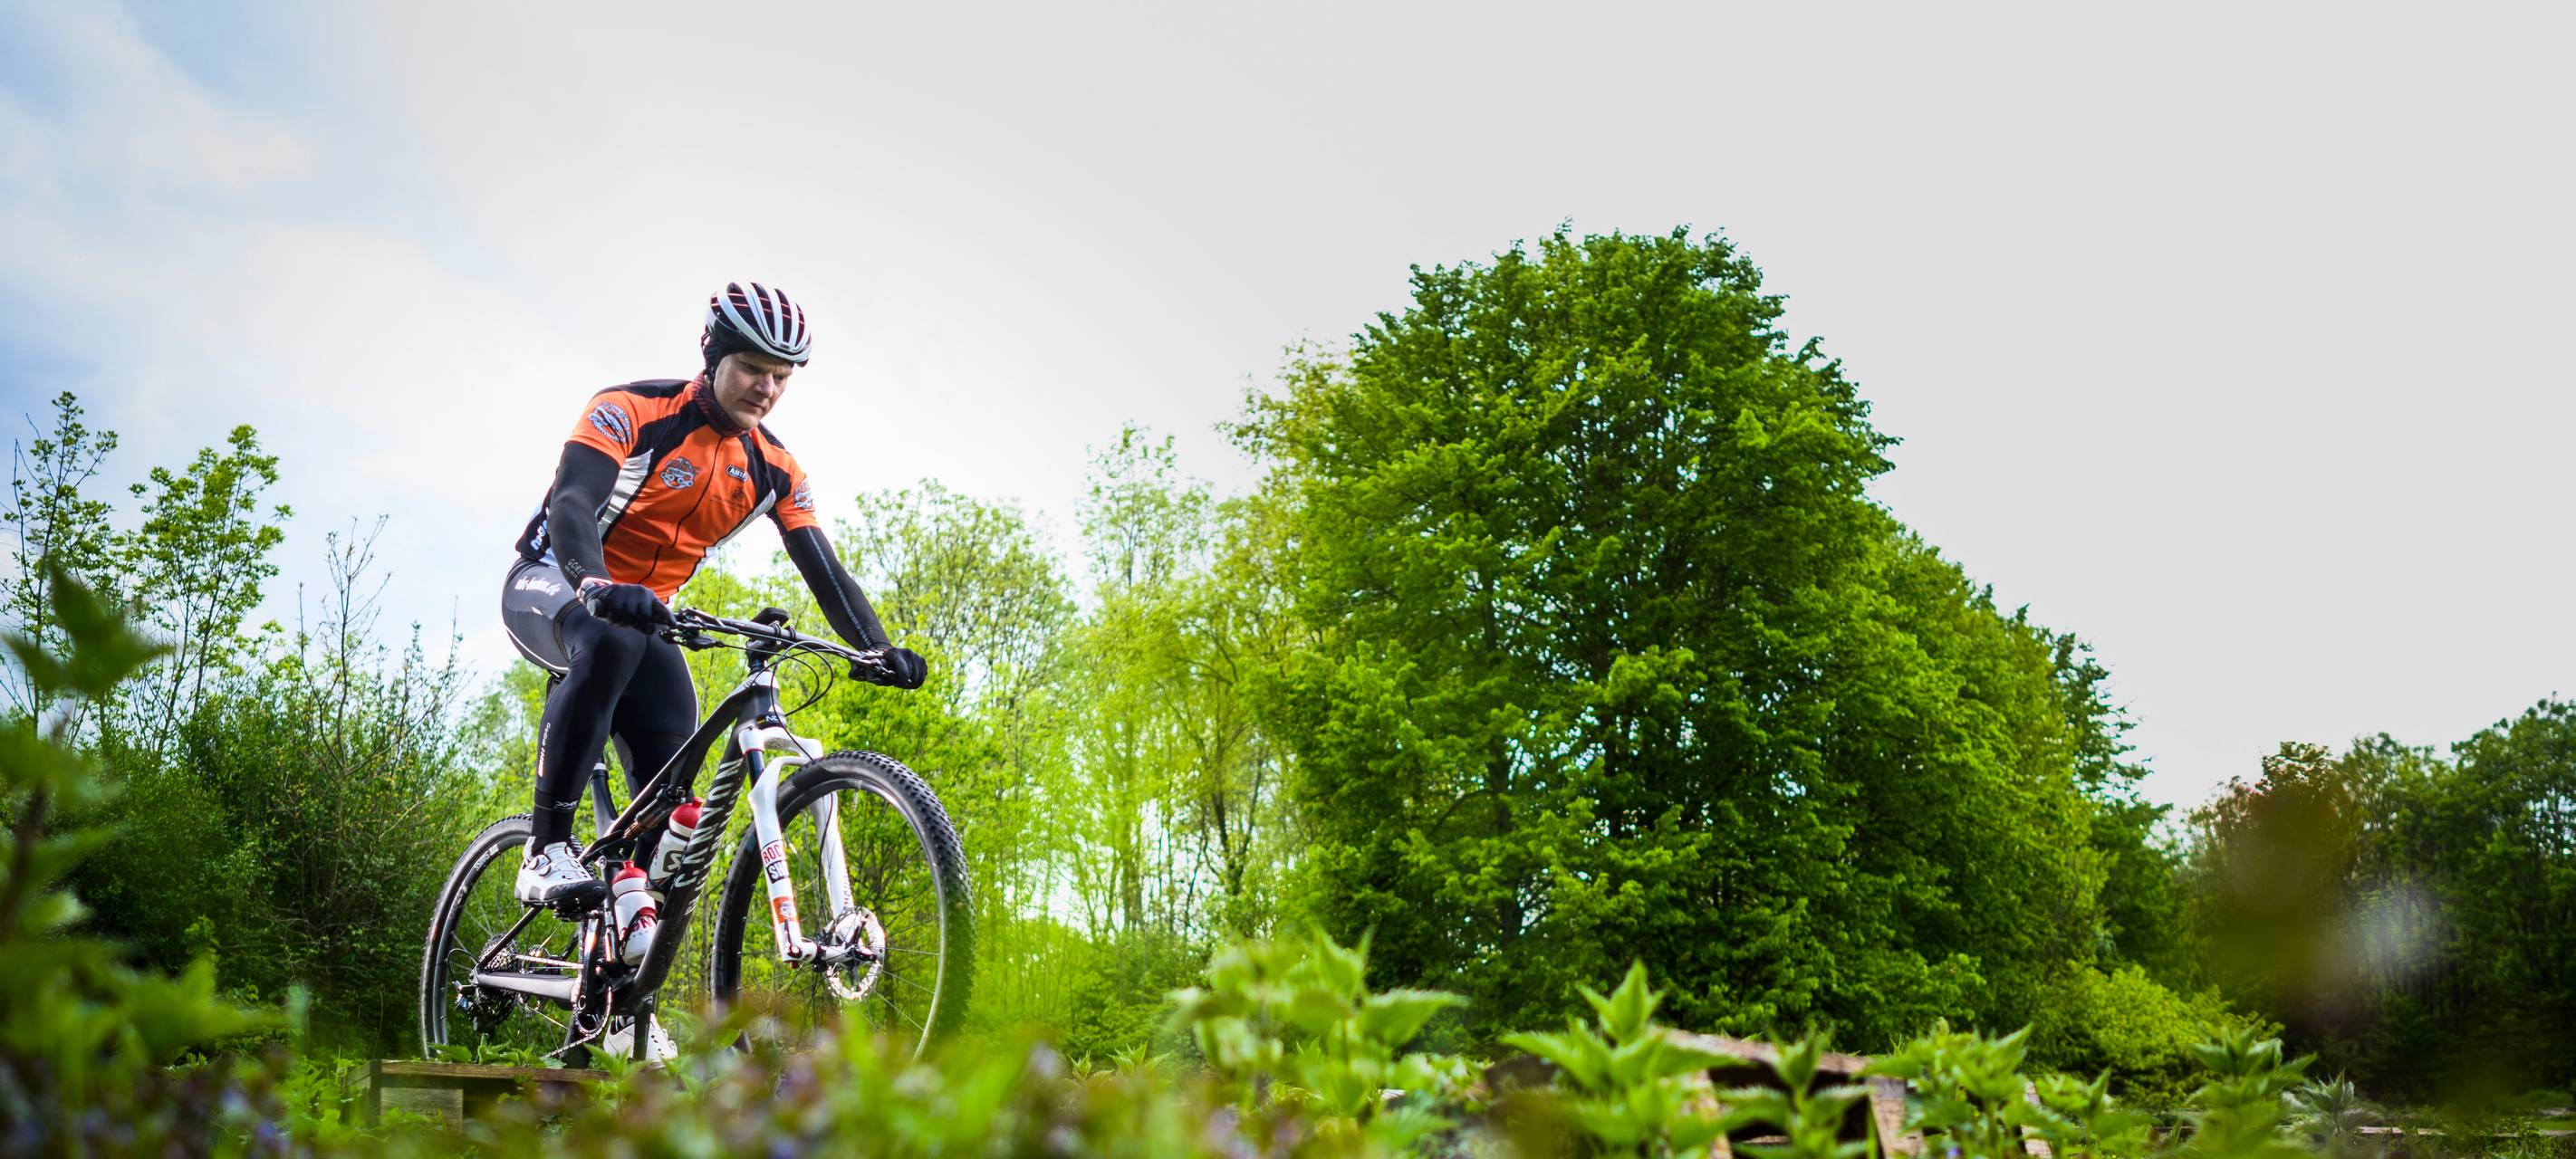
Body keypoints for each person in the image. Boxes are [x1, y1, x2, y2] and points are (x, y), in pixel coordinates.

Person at [499, 282, 925, 957]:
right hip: (557, 583)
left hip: (646, 621)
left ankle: (620, 956)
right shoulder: (630, 409)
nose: (768, 388)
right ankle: (545, 849)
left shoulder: (774, 467)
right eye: (755, 368)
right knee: (610, 640)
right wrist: (596, 584)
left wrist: (877, 646)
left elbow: (824, 568)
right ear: (713, 354)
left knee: (672, 789)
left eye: (782, 377)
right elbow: (573, 505)